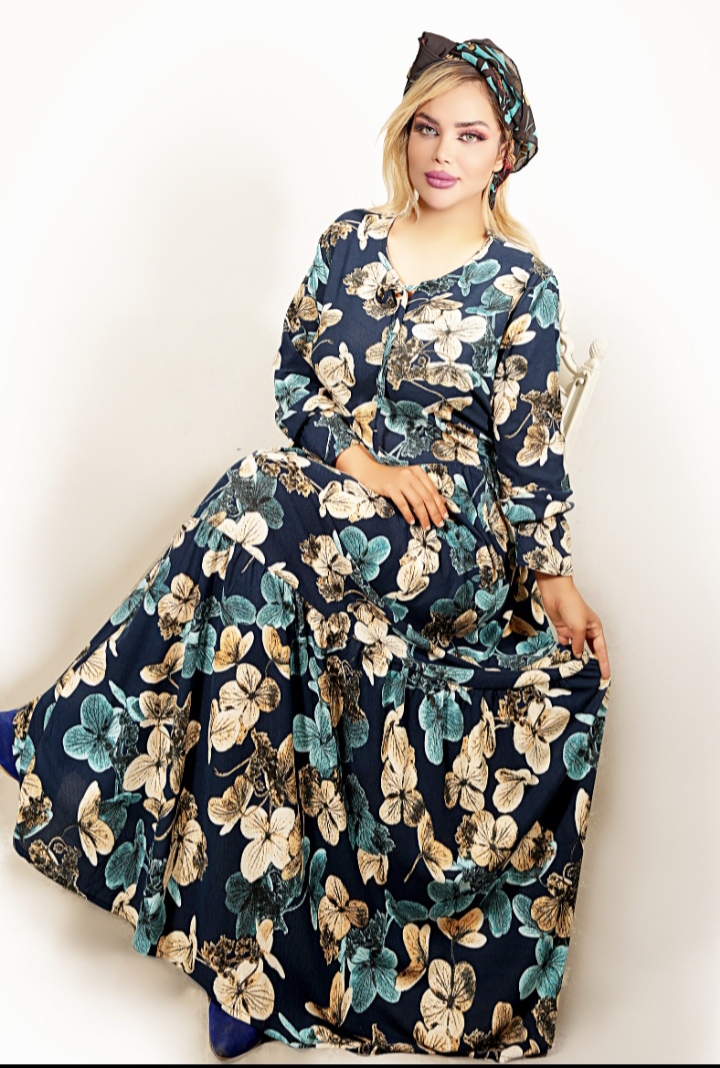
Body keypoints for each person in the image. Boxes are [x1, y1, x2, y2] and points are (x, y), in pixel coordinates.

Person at [1, 31, 611, 1062]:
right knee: (264, 585)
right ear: (403, 132)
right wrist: (362, 468)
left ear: (505, 151)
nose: (443, 153)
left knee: (254, 496)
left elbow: (529, 451)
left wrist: (551, 574)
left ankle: (55, 733)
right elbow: (296, 386)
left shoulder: (522, 285)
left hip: (450, 540)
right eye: (427, 127)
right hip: (335, 500)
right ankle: (245, 967)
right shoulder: (347, 243)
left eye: (470, 135)